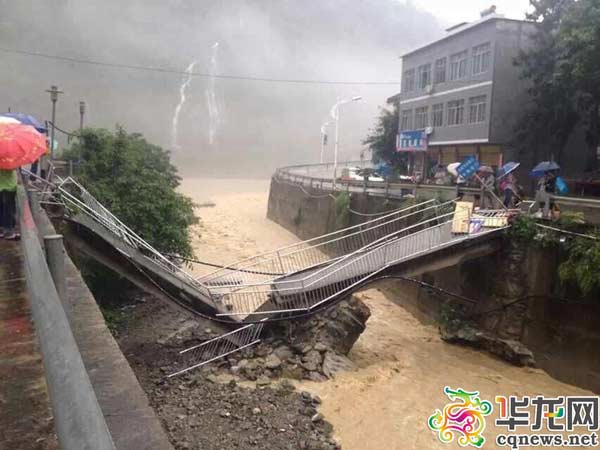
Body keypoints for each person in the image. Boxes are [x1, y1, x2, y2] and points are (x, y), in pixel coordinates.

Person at [0, 169, 18, 240]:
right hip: (8, 186)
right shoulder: (8, 161)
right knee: (9, 209)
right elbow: (12, 167)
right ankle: (8, 231)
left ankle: (1, 230)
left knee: (1, 209)